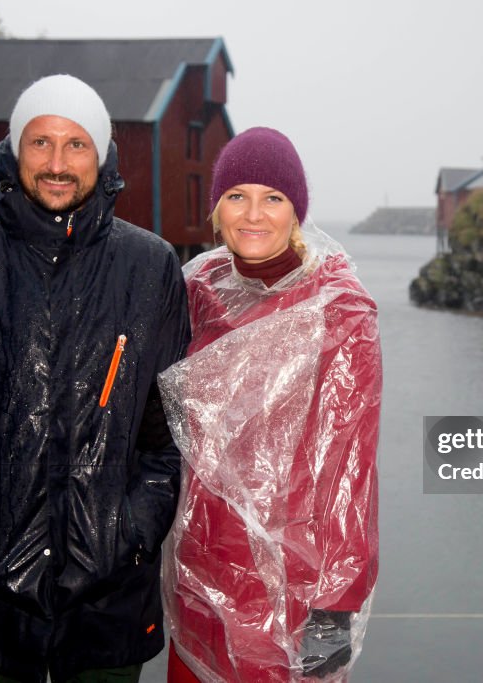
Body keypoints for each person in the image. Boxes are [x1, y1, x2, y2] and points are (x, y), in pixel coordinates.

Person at [0, 74, 189, 683]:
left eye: (76, 145)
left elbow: (173, 429)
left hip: (108, 605)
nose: (57, 163)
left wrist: (131, 533)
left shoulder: (150, 267)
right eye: (40, 142)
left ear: (101, 155)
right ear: (15, 151)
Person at [158, 127, 382, 682]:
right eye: (237, 196)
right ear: (216, 210)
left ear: (297, 211)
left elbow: (349, 472)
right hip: (197, 577)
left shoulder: (339, 310)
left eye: (273, 198)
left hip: (291, 593)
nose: (253, 214)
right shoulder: (197, 289)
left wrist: (335, 609)